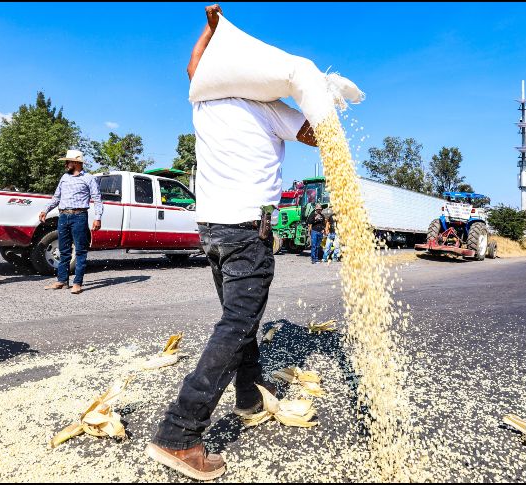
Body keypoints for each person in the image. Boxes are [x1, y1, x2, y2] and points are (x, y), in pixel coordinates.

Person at [146, 5, 318, 481]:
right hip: (246, 230)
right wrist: (322, 97)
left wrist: (211, 29)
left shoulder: (204, 102)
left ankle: (248, 397)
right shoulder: (269, 106)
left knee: (242, 320)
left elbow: (192, 69)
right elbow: (317, 134)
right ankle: (179, 433)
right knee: (238, 325)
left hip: (211, 229)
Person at [39, 149, 102, 295]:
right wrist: (45, 210)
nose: (66, 164)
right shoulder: (64, 177)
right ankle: (62, 281)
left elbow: (97, 199)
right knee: (64, 250)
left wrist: (98, 217)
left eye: (68, 162)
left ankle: (77, 283)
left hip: (79, 216)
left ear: (76, 162)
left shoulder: (88, 178)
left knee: (80, 250)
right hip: (63, 216)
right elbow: (56, 197)